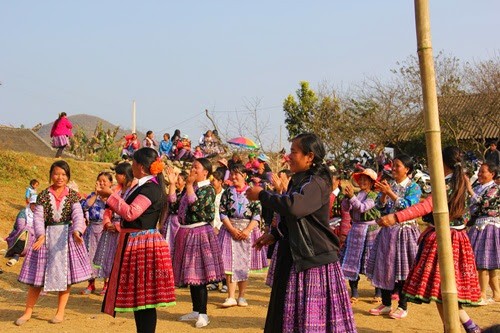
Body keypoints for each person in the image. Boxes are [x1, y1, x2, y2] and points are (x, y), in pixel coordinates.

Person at [247, 133, 356, 333]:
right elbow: (296, 219)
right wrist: (276, 234)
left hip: (313, 259)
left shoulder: (317, 182)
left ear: (310, 156)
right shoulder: (300, 180)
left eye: (294, 152)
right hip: (296, 255)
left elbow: (296, 207)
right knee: (285, 317)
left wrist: (262, 194)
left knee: (312, 322)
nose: (289, 156)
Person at [377, 146, 482, 333]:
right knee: (445, 293)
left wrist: (395, 217)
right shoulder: (461, 183)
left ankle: (462, 328)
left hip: (443, 239)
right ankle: (467, 328)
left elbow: (425, 206)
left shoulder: (447, 184)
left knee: (445, 292)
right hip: (457, 238)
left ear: (441, 163)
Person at [98, 147, 175, 333]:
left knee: (145, 299)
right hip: (138, 242)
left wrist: (110, 196)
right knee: (141, 299)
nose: (131, 165)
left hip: (142, 245)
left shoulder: (150, 188)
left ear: (140, 166)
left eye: (133, 162)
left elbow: (131, 213)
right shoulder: (145, 186)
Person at [16, 160, 92, 326]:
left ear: (68, 176)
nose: (60, 177)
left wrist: (77, 230)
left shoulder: (72, 195)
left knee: (65, 278)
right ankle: (27, 312)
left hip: (66, 239)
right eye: (57, 173)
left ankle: (60, 312)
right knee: (37, 278)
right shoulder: (43, 195)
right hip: (45, 239)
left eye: (64, 174)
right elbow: (38, 217)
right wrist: (41, 235)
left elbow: (78, 215)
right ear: (51, 175)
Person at [367, 154, 422, 319]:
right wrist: (383, 195)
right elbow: (380, 207)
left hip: (404, 232)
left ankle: (403, 306)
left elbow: (408, 206)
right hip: (387, 232)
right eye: (393, 165)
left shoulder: (414, 187)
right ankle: (385, 303)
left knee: (402, 269)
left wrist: (389, 192)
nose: (394, 169)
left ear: (407, 169)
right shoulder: (389, 184)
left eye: (398, 166)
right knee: (384, 267)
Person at [173, 158, 225, 328]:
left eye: (197, 167)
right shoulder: (192, 187)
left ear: (206, 173)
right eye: (192, 166)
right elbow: (175, 207)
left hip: (200, 233)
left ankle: (203, 313)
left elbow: (197, 209)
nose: (193, 170)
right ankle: (196, 310)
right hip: (186, 232)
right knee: (191, 275)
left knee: (200, 275)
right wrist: (174, 185)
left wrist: (188, 186)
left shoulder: (208, 190)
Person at [218, 163, 262, 308]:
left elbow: (257, 214)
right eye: (232, 173)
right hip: (230, 230)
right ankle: (230, 296)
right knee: (230, 264)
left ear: (244, 175)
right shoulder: (227, 192)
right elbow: (223, 212)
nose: (233, 176)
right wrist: (231, 229)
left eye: (236, 174)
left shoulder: (253, 192)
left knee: (244, 263)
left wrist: (247, 230)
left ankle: (241, 296)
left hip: (247, 231)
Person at [93, 163, 137, 296]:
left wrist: (118, 226)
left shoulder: (133, 191)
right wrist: (107, 223)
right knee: (109, 259)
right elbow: (108, 209)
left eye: (117, 174)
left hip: (123, 230)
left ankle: (123, 288)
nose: (116, 177)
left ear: (123, 175)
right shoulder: (116, 190)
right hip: (110, 230)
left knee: (124, 260)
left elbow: (129, 211)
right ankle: (109, 285)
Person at [341, 168, 381, 304]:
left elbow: (363, 208)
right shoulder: (357, 194)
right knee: (352, 260)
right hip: (356, 230)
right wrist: (347, 198)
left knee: (372, 260)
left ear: (372, 182)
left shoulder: (374, 196)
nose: (362, 181)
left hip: (371, 230)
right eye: (361, 179)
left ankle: (378, 292)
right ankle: (355, 292)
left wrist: (351, 197)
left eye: (366, 179)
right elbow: (346, 208)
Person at [467, 161, 500, 304]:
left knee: (483, 262)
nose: (479, 174)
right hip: (478, 225)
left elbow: (483, 203)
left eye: (483, 171)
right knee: (488, 263)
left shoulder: (495, 188)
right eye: (479, 171)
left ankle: (482, 294)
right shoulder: (479, 187)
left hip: (489, 226)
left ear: (492, 174)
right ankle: (497, 294)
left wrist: (469, 188)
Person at [79, 171, 113, 295]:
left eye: (105, 181)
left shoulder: (112, 196)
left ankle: (106, 285)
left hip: (106, 229)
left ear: (110, 183)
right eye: (100, 181)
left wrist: (105, 197)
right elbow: (85, 207)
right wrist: (96, 194)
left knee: (105, 257)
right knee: (90, 256)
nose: (102, 183)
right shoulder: (92, 196)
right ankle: (91, 284)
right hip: (92, 229)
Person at [5, 195, 37, 267]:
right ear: (30, 204)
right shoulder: (23, 212)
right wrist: (32, 230)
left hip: (34, 236)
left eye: (37, 205)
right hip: (19, 234)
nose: (35, 207)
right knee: (24, 232)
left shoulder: (40, 215)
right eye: (34, 204)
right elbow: (20, 226)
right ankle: (16, 256)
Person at [162, 169, 188, 250]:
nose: (176, 181)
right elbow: (169, 205)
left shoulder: (186, 193)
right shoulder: (175, 191)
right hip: (170, 221)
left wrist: (172, 184)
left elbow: (173, 201)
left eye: (178, 179)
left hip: (178, 222)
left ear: (185, 182)